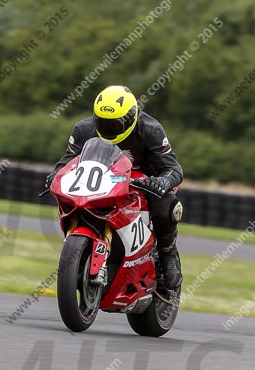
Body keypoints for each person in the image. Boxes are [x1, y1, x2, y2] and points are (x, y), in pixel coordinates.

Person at [47, 85, 183, 300]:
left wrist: (161, 182)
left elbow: (173, 168)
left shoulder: (151, 129)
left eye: (115, 123)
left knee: (166, 204)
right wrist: (55, 175)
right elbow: (67, 161)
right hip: (105, 177)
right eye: (103, 123)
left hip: (145, 180)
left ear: (130, 118)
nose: (109, 128)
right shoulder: (83, 129)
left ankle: (168, 254)